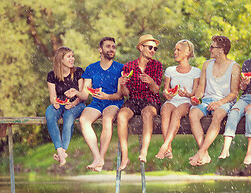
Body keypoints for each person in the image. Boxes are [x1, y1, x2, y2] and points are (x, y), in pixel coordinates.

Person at [65, 37, 124, 172]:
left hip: (114, 102)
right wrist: (76, 92)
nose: (111, 49)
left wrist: (107, 96)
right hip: (97, 102)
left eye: (113, 47)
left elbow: (121, 95)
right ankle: (97, 157)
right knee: (83, 120)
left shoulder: (121, 68)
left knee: (107, 119)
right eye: (108, 46)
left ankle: (101, 158)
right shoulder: (91, 68)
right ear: (100, 49)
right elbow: (85, 94)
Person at [189, 36, 241, 166]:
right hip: (206, 100)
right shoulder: (207, 64)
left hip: (224, 102)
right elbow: (201, 88)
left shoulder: (234, 67)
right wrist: (197, 99)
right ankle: (204, 152)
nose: (210, 49)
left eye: (212, 47)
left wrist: (219, 103)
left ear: (221, 50)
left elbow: (234, 93)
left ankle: (201, 152)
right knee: (193, 114)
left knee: (217, 116)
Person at [117, 34, 163, 170]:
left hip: (150, 99)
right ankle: (125, 157)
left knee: (147, 114)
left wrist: (151, 81)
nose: (153, 51)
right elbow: (126, 94)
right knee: (121, 116)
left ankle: (144, 151)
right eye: (150, 47)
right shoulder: (129, 66)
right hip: (134, 99)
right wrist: (123, 84)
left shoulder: (157, 65)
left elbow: (156, 90)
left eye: (155, 49)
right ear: (141, 47)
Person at [155, 40, 201, 159]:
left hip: (187, 102)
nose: (175, 52)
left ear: (187, 53)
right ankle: (168, 148)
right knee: (165, 110)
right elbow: (165, 90)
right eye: (175, 49)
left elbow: (195, 93)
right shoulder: (170, 70)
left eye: (178, 50)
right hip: (172, 101)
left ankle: (164, 146)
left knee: (176, 113)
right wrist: (167, 94)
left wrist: (188, 94)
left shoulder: (196, 72)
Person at [45, 46, 85, 167]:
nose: (72, 58)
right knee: (49, 114)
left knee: (68, 116)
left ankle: (63, 152)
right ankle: (59, 151)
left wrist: (73, 103)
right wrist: (55, 103)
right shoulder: (52, 75)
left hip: (77, 104)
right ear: (61, 60)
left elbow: (83, 96)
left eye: (72, 56)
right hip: (61, 103)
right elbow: (52, 96)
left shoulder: (78, 72)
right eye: (69, 56)